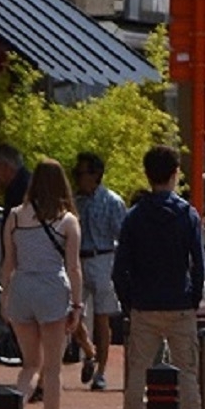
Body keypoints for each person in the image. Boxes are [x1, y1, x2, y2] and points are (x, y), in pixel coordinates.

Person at [112, 145, 205, 409]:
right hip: (179, 303)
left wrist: (129, 302)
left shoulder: (134, 216)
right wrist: (194, 298)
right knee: (188, 373)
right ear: (175, 173)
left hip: (144, 305)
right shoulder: (187, 215)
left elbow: (120, 269)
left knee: (137, 376)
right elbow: (198, 263)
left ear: (147, 174)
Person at [0, 156, 83, 409]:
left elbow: (8, 263)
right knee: (53, 367)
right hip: (51, 289)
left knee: (30, 364)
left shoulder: (15, 217)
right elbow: (73, 268)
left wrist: (5, 298)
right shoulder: (68, 222)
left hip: (22, 288)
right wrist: (77, 305)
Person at [72, 152, 125, 392]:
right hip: (78, 260)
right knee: (71, 315)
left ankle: (101, 372)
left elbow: (122, 236)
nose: (77, 178)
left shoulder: (112, 201)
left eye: (81, 173)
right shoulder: (74, 201)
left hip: (103, 257)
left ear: (95, 175)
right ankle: (89, 351)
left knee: (103, 318)